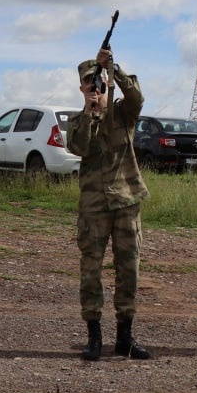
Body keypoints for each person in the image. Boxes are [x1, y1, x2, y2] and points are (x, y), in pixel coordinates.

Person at [66, 46, 151, 361]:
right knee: (91, 270)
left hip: (126, 201)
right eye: (90, 82)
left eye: (99, 81)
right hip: (93, 206)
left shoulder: (121, 113)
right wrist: (89, 114)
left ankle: (125, 336)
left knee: (128, 269)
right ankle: (94, 336)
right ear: (82, 87)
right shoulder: (77, 122)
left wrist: (114, 71)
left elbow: (137, 99)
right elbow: (79, 147)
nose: (95, 87)